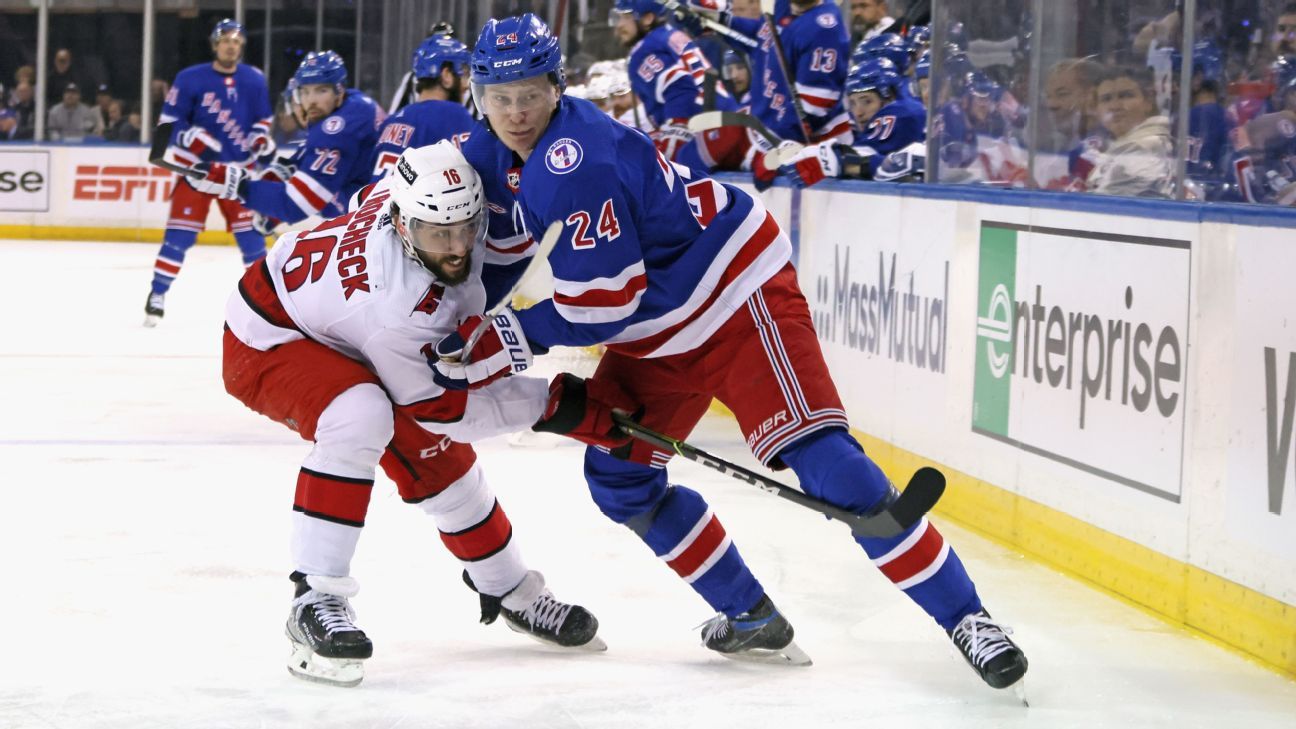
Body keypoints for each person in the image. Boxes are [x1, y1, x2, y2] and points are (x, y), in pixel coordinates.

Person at [439, 14, 1028, 690]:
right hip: (657, 328)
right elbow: (503, 250)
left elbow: (604, 305)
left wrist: (509, 336)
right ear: (478, 97)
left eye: (531, 94)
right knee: (621, 479)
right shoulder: (495, 149)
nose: (516, 113)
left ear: (558, 88)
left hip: (731, 296)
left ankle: (970, 618)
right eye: (501, 96)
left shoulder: (572, 163)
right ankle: (750, 614)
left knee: (828, 463)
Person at [223, 141, 619, 687]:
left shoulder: (416, 190)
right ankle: (313, 598)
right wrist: (551, 405)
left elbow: (397, 180)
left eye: (466, 228)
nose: (457, 247)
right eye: (440, 235)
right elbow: (442, 411)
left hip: (340, 321)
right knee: (361, 416)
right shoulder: (395, 310)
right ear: (404, 227)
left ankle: (510, 590)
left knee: (442, 466)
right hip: (268, 336)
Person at [144, 19, 274, 327]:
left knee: (253, 243)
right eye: (226, 40)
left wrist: (259, 138)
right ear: (215, 44)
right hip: (197, 171)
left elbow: (263, 120)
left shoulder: (254, 79)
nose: (231, 45)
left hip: (237, 174)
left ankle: (268, 303)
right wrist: (189, 136)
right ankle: (157, 294)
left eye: (236, 41)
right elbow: (168, 121)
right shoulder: (190, 78)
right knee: (178, 238)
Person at [186, 51, 382, 230]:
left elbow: (296, 205)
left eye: (321, 90)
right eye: (305, 92)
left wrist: (235, 184)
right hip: (382, 205)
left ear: (339, 91)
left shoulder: (336, 129)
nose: (311, 100)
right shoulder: (354, 104)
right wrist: (276, 183)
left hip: (376, 222)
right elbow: (304, 158)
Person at [612, 1, 743, 172]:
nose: (619, 25)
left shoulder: (644, 49)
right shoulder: (671, 35)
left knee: (663, 176)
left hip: (708, 132)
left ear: (647, 18)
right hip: (725, 124)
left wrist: (676, 131)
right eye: (618, 17)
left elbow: (680, 87)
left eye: (627, 17)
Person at [777, 56, 925, 186]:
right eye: (853, 103)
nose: (858, 113)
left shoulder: (902, 112)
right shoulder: (907, 109)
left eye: (867, 101)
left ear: (889, 97)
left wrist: (838, 158)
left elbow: (861, 157)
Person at [368, 34, 475, 182]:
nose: (465, 85)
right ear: (446, 76)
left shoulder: (391, 121)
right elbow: (473, 171)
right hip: (416, 204)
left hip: (379, 202)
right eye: (463, 74)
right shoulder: (454, 115)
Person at [1085, 65, 1173, 198]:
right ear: (1096, 109)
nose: (1115, 106)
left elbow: (1102, 209)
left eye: (1126, 96)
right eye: (1106, 99)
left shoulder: (1142, 147)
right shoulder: (1120, 145)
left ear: (1148, 101)